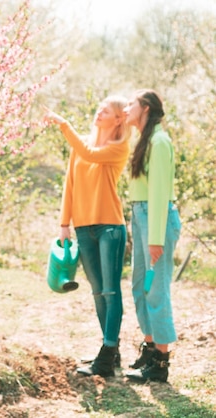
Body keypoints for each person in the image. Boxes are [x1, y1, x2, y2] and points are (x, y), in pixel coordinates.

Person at [45, 95, 130, 377]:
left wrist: (64, 125)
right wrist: (64, 223)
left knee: (110, 290)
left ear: (119, 118)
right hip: (83, 227)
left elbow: (91, 155)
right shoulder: (79, 144)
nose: (99, 113)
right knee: (97, 292)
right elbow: (69, 184)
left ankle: (106, 354)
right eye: (99, 108)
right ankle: (111, 351)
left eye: (106, 111)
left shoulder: (119, 147)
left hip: (110, 226)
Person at [123, 89, 181, 383]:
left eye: (131, 104)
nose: (126, 108)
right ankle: (149, 347)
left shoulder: (159, 141)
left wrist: (155, 238)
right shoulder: (144, 139)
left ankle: (161, 361)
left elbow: (160, 193)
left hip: (155, 219)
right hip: (141, 215)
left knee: (156, 289)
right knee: (139, 287)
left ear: (145, 108)